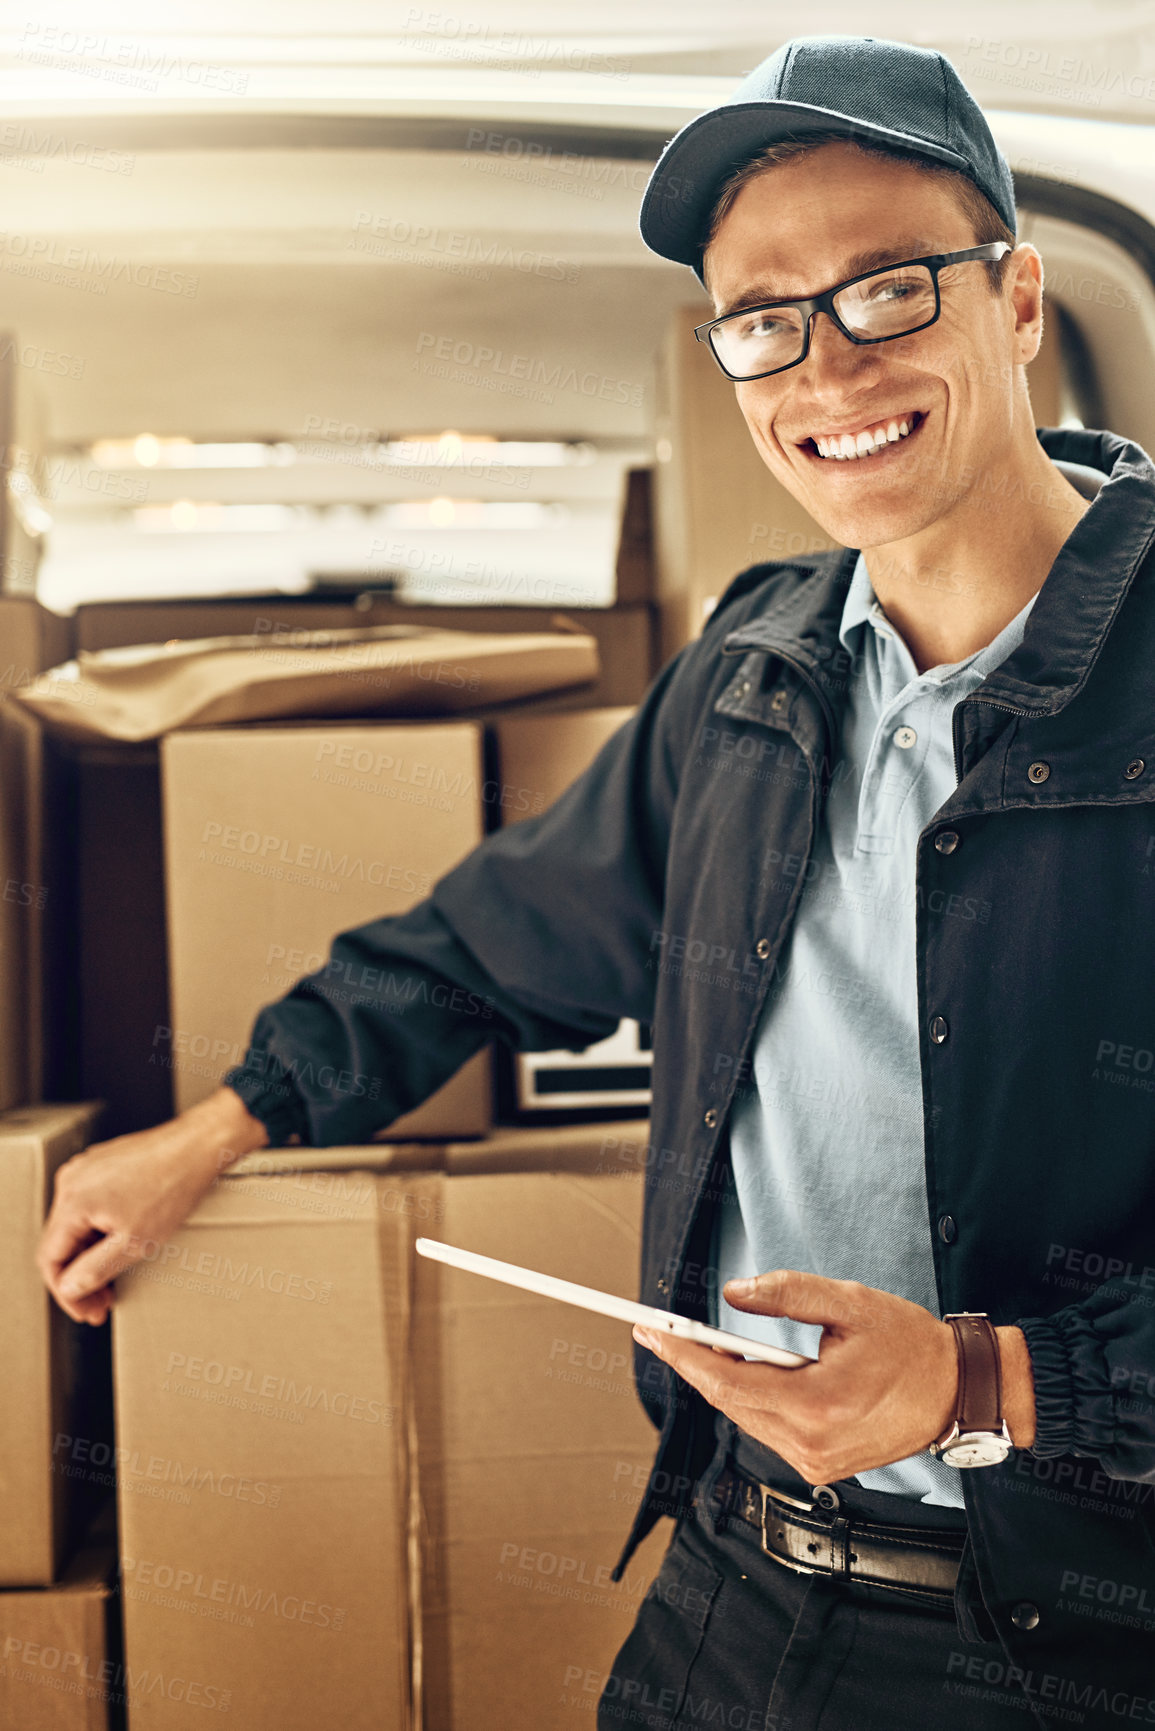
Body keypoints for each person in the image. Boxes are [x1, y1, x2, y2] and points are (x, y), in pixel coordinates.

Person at [38, 34, 1155, 1730]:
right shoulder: (755, 676)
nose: (825, 368)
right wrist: (222, 1126)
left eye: (889, 292)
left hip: (1067, 1640)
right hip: (734, 1573)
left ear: (1018, 307)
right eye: (764, 320)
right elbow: (489, 946)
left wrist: (981, 1381)